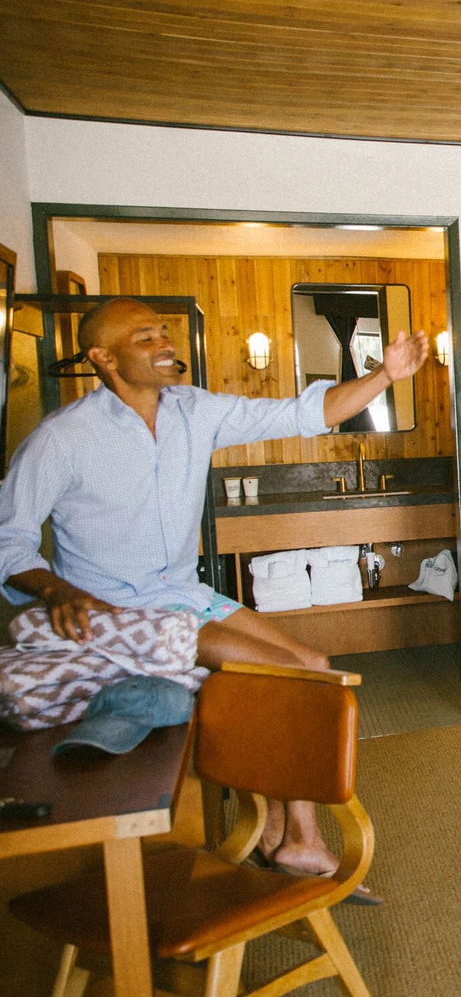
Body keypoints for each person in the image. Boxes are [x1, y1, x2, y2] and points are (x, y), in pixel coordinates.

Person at [0, 296, 428, 896]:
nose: (165, 343)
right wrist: (56, 589)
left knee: (315, 667)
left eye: (163, 331)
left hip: (182, 592)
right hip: (121, 615)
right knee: (281, 671)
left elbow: (306, 414)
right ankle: (294, 836)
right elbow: (9, 541)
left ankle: (284, 833)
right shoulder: (62, 439)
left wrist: (385, 375)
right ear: (103, 357)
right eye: (145, 337)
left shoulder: (193, 410)